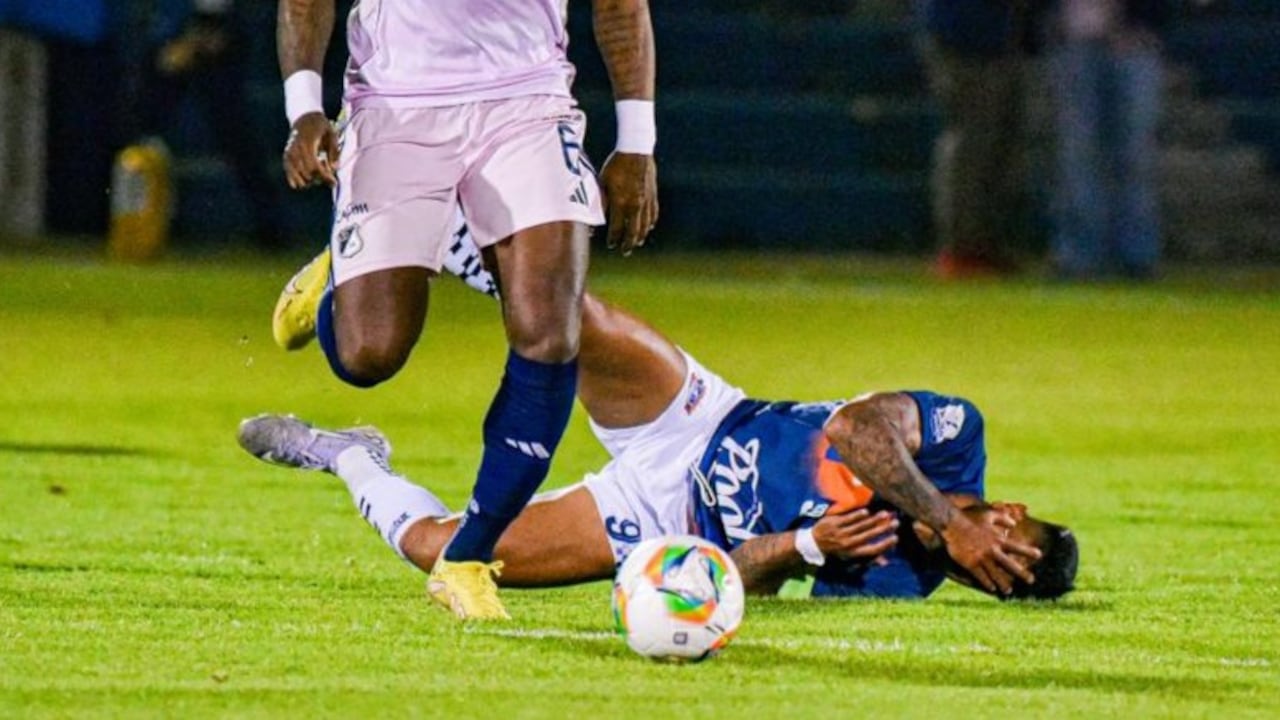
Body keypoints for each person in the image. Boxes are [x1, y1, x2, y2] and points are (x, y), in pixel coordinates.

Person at [240, 221, 1077, 604]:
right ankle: (392, 227)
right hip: (699, 418)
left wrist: (805, 547)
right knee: (568, 314)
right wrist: (947, 520)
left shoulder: (898, 581)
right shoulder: (956, 441)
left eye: (991, 581)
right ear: (1007, 514)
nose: (978, 566)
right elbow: (853, 431)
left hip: (659, 520)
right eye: (1003, 551)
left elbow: (736, 581)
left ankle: (347, 455)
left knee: (445, 552)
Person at [272, 0, 658, 620]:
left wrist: (637, 143)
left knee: (549, 333)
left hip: (527, 103)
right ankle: (339, 273)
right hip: (394, 103)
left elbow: (620, 7)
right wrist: (304, 110)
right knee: (367, 355)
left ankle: (468, 558)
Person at [138, 0, 290, 250]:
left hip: (221, 31)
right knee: (146, 126)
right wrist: (175, 40)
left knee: (238, 138)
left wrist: (207, 37)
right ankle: (138, 222)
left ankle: (272, 226)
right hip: (182, 26)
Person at [916, 0, 1041, 279]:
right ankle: (961, 247)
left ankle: (984, 244)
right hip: (964, 39)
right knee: (971, 146)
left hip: (999, 40)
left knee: (998, 148)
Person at [1047, 0, 1170, 280]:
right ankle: (1080, 254)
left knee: (1135, 156)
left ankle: (1136, 254)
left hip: (1135, 42)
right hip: (1075, 39)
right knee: (1078, 155)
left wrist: (1142, 23)